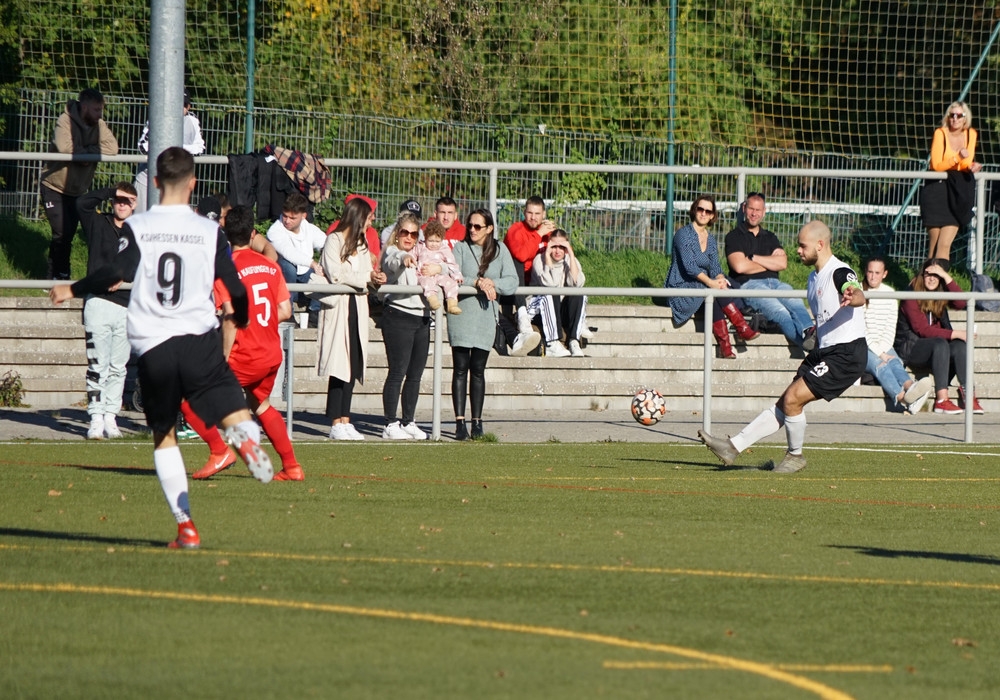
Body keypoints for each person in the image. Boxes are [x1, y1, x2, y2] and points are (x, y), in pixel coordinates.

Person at [49, 147, 273, 550]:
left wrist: (73, 288)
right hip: (199, 337)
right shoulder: (209, 231)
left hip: (155, 344)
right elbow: (234, 285)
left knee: (164, 435)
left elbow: (115, 271)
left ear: (154, 183)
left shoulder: (141, 226)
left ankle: (186, 526)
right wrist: (239, 315)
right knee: (229, 403)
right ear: (193, 184)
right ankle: (245, 439)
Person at [699, 221, 867, 474]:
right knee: (785, 403)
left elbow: (855, 291)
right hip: (825, 351)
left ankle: (795, 456)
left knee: (792, 399)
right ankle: (732, 447)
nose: (798, 250)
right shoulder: (813, 278)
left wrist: (853, 295)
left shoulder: (839, 271)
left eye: (803, 246)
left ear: (820, 245)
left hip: (846, 353)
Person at [185, 205, 304, 481]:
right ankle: (292, 467)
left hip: (245, 354)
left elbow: (229, 319)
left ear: (226, 236)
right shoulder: (271, 266)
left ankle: (219, 451)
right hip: (271, 353)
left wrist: (222, 360)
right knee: (259, 403)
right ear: (252, 234)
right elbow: (285, 310)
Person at [316, 197, 386, 440]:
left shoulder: (363, 244)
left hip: (357, 306)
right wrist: (365, 277)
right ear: (358, 217)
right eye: (369, 218)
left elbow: (364, 273)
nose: (371, 222)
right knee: (339, 365)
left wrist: (374, 278)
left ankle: (346, 419)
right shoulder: (334, 240)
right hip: (339, 308)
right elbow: (336, 274)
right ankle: (335, 421)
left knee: (353, 364)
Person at [448, 209, 519, 440]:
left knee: (478, 370)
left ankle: (477, 422)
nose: (472, 230)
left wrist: (492, 283)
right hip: (462, 315)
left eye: (477, 226)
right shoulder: (460, 248)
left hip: (485, 317)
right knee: (460, 368)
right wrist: (477, 282)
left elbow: (512, 281)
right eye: (470, 225)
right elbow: (453, 277)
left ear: (489, 229)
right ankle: (460, 423)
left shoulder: (500, 249)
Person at [75, 181, 137, 439]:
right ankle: (96, 417)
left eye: (127, 201)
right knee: (97, 365)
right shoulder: (98, 223)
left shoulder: (138, 232)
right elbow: (82, 203)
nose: (122, 205)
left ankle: (111, 416)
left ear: (135, 205)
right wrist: (111, 192)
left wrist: (122, 277)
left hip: (126, 305)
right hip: (98, 303)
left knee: (118, 367)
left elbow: (143, 264)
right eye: (119, 200)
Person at [664, 196, 759, 359]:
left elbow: (715, 267)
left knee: (715, 292)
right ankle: (740, 330)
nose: (703, 213)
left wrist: (720, 279)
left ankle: (727, 346)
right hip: (682, 286)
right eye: (700, 209)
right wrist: (711, 283)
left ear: (712, 215)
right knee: (712, 292)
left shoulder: (711, 239)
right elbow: (690, 267)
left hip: (702, 287)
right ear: (694, 210)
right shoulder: (683, 234)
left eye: (708, 211)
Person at [39, 88, 119, 280]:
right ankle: (58, 276)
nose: (100, 114)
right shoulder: (65, 120)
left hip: (77, 190)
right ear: (84, 107)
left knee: (67, 235)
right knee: (62, 232)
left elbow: (112, 147)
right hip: (54, 186)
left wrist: (87, 154)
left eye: (101, 110)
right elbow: (64, 147)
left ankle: (58, 276)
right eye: (96, 110)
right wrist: (85, 155)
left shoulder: (99, 124)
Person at [725, 193, 816, 350]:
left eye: (758, 210)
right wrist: (770, 263)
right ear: (744, 208)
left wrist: (753, 258)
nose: (754, 213)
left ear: (764, 211)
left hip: (776, 283)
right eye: (751, 209)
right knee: (781, 312)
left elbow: (782, 263)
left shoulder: (770, 237)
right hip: (750, 285)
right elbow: (739, 267)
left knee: (796, 303)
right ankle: (813, 349)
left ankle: (810, 332)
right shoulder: (734, 237)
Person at [894, 259, 983, 414]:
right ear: (922, 275)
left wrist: (946, 276)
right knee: (940, 343)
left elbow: (961, 303)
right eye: (928, 274)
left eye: (937, 275)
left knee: (960, 346)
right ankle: (942, 400)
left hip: (938, 350)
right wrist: (956, 333)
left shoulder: (940, 294)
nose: (932, 279)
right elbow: (923, 330)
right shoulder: (911, 295)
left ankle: (969, 396)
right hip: (912, 347)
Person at [378, 212, 432, 440]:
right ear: (397, 234)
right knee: (397, 371)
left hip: (422, 317)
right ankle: (390, 423)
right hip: (398, 315)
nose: (409, 237)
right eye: (404, 232)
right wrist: (405, 258)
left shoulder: (424, 253)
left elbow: (445, 266)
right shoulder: (392, 251)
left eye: (414, 234)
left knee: (415, 374)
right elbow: (393, 258)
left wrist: (438, 268)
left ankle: (408, 420)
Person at [862, 256, 934, 414]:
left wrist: (884, 350)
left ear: (884, 274)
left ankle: (911, 387)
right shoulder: (859, 293)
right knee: (880, 364)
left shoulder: (890, 294)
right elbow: (860, 331)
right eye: (870, 272)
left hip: (883, 344)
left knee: (894, 361)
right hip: (862, 346)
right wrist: (880, 353)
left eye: (877, 273)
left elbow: (890, 327)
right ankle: (903, 398)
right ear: (865, 272)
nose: (873, 276)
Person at [920, 102, 982, 263]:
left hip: (957, 191)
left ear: (965, 118)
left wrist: (971, 166)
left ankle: (939, 277)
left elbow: (965, 163)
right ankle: (925, 278)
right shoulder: (940, 133)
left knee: (944, 245)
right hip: (937, 189)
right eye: (952, 115)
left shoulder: (971, 134)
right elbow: (937, 165)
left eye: (959, 115)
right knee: (933, 247)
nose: (955, 119)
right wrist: (957, 158)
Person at [134, 92, 205, 213]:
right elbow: (142, 146)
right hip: (148, 178)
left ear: (188, 107)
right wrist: (174, 152)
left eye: (183, 105)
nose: (178, 109)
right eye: (175, 104)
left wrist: (174, 150)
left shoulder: (192, 121)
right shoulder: (156, 117)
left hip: (176, 181)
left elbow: (200, 148)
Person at [526, 229, 590, 357]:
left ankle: (574, 341)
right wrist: (548, 258)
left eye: (562, 247)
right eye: (554, 246)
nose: (557, 251)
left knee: (579, 294)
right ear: (549, 246)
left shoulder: (569, 260)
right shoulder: (539, 260)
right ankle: (552, 342)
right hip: (538, 309)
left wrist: (571, 255)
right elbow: (551, 284)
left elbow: (577, 283)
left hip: (557, 309)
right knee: (551, 293)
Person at [266, 192, 327, 325]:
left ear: (303, 216)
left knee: (326, 269)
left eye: (292, 218)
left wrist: (324, 263)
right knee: (288, 266)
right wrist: (312, 263)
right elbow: (289, 252)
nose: (287, 221)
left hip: (305, 274)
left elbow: (326, 244)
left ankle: (314, 311)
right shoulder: (274, 231)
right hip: (284, 274)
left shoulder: (308, 228)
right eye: (285, 216)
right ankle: (288, 313)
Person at [504, 195, 557, 339]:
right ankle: (522, 315)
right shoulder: (515, 230)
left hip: (540, 282)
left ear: (544, 214)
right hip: (515, 284)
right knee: (517, 261)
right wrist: (539, 234)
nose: (533, 217)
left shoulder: (548, 232)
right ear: (524, 212)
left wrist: (555, 235)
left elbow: (562, 255)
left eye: (537, 213)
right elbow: (521, 255)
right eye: (529, 213)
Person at [415, 220, 463, 315]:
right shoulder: (420, 246)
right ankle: (432, 300)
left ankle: (452, 303)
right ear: (425, 238)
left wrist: (457, 275)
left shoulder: (444, 249)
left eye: (437, 241)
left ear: (442, 239)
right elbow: (412, 255)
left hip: (439, 275)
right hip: (424, 275)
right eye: (431, 241)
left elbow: (452, 263)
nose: (434, 244)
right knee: (427, 283)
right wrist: (408, 259)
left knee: (451, 283)